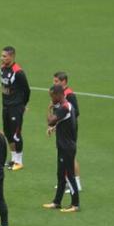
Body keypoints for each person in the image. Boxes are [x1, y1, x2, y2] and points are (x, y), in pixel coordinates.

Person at [43, 85, 80, 213]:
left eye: (52, 96)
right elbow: (61, 123)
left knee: (69, 175)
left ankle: (75, 204)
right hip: (63, 145)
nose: (51, 99)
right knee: (60, 174)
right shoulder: (65, 106)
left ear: (59, 94)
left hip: (67, 147)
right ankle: (57, 202)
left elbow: (50, 121)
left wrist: (49, 109)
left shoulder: (64, 107)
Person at [0, 46, 30, 170]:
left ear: (12, 57)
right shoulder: (2, 68)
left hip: (16, 107)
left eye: (4, 56)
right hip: (6, 106)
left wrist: (23, 105)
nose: (2, 58)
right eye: (2, 56)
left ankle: (19, 161)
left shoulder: (18, 72)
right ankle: (13, 159)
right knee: (7, 132)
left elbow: (27, 90)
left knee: (16, 134)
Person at [52, 71, 81, 193]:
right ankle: (66, 183)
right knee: (63, 157)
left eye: (56, 81)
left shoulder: (69, 95)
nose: (54, 83)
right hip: (62, 127)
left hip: (69, 130)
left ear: (64, 81)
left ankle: (77, 183)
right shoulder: (59, 94)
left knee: (70, 157)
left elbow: (76, 112)